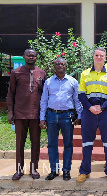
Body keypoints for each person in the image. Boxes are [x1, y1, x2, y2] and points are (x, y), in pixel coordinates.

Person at [76, 47, 107, 183]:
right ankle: (84, 171)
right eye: (97, 55)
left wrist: (103, 107)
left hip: (106, 112)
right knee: (87, 142)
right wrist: (90, 108)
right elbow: (81, 94)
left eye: (101, 56)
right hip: (89, 113)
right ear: (93, 57)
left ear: (105, 58)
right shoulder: (85, 74)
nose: (99, 57)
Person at [39, 58, 83, 181]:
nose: (60, 65)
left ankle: (66, 171)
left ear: (66, 66)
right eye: (57, 64)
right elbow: (44, 101)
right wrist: (42, 118)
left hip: (67, 116)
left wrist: (79, 116)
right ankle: (54, 170)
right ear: (54, 66)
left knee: (68, 144)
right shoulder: (48, 82)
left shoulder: (73, 81)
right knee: (52, 144)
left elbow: (77, 100)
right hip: (51, 115)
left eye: (62, 63)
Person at [7, 48, 47, 180]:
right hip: (20, 114)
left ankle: (34, 169)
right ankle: (19, 170)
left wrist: (44, 115)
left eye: (33, 56)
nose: (31, 57)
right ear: (24, 57)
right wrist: (10, 112)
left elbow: (45, 95)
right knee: (20, 144)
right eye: (28, 55)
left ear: (36, 57)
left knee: (35, 143)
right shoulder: (16, 73)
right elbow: (11, 94)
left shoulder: (41, 73)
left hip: (36, 115)